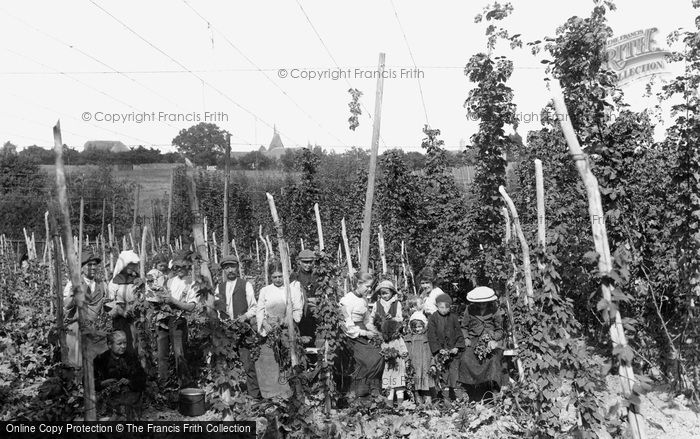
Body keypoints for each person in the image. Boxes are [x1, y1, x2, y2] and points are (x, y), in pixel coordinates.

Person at [213, 255, 260, 399]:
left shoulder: (245, 285)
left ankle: (254, 395)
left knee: (248, 363)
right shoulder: (219, 287)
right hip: (226, 331)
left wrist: (245, 317)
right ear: (223, 270)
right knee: (225, 363)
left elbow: (254, 307)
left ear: (237, 268)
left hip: (243, 329)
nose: (230, 270)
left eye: (232, 266)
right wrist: (222, 320)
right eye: (226, 268)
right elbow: (216, 309)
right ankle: (228, 394)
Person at [255, 262, 304, 399]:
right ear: (270, 277)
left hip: (287, 329)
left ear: (285, 275)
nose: (277, 279)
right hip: (270, 331)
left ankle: (290, 393)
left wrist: (284, 321)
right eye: (274, 277)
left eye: (280, 276)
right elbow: (260, 310)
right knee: (271, 360)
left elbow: (297, 310)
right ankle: (272, 394)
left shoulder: (292, 290)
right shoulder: (265, 290)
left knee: (288, 358)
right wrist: (265, 323)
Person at [339, 272, 384, 399]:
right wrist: (365, 333)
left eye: (371, 287)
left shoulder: (363, 299)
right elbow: (348, 327)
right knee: (372, 358)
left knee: (381, 353)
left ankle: (372, 389)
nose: (369, 289)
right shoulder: (347, 300)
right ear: (358, 284)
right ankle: (360, 390)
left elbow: (366, 320)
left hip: (364, 332)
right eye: (367, 286)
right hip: (352, 337)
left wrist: (375, 332)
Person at [458, 286, 508, 400]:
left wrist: (494, 339)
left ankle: (495, 390)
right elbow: (464, 327)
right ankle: (468, 389)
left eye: (484, 303)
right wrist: (466, 338)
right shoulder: (469, 309)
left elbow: (500, 330)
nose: (482, 305)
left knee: (493, 359)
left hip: (490, 340)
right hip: (474, 339)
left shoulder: (494, 309)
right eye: (479, 303)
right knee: (465, 359)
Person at [158, 258, 200, 386]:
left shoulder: (192, 284)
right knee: (162, 354)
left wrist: (173, 301)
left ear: (188, 267)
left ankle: (184, 386)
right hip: (163, 319)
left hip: (178, 320)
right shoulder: (169, 281)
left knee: (179, 353)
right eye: (177, 267)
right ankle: (163, 385)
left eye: (183, 266)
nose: (180, 269)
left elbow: (191, 307)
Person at [63, 251, 107, 367]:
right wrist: (73, 294)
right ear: (82, 267)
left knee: (97, 362)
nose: (93, 267)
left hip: (95, 328)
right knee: (77, 362)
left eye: (95, 264)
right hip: (77, 327)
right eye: (89, 265)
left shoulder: (101, 284)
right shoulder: (73, 284)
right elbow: (66, 306)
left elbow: (106, 307)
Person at [94, 330, 146, 420]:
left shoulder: (131, 358)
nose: (123, 346)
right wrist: (103, 383)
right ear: (110, 345)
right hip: (108, 395)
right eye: (119, 343)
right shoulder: (100, 359)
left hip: (128, 394)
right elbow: (89, 381)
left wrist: (129, 382)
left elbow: (141, 378)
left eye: (125, 343)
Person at [427, 293, 464, 403]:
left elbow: (458, 333)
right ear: (437, 307)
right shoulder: (433, 318)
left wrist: (457, 347)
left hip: (453, 353)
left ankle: (459, 400)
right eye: (441, 307)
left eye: (446, 307)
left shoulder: (453, 317)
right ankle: (446, 399)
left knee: (455, 375)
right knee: (443, 375)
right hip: (441, 353)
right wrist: (438, 349)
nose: (444, 310)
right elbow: (432, 335)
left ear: (450, 307)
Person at [107, 250, 142, 355]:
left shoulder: (137, 281)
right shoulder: (114, 283)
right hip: (121, 321)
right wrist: (121, 311)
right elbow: (110, 306)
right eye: (130, 265)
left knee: (138, 346)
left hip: (137, 318)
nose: (132, 267)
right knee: (124, 346)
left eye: (133, 265)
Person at [405, 310, 434, 406]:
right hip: (414, 364)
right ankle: (418, 400)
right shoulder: (408, 338)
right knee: (415, 381)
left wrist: (433, 364)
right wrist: (406, 362)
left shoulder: (427, 338)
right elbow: (405, 352)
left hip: (424, 364)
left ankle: (428, 401)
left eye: (419, 327)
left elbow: (431, 352)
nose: (417, 329)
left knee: (426, 381)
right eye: (415, 327)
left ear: (424, 326)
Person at [291, 249, 319, 347]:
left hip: (315, 313)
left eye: (310, 262)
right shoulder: (294, 276)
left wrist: (317, 300)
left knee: (313, 339)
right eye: (305, 262)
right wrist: (306, 300)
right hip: (300, 313)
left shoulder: (318, 276)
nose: (308, 265)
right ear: (299, 262)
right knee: (300, 338)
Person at [380, 319, 408, 405]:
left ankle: (400, 405)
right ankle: (389, 405)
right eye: (396, 331)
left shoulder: (399, 339)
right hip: (389, 366)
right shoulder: (384, 341)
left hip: (398, 365)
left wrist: (404, 353)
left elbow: (403, 349)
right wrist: (387, 354)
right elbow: (383, 351)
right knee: (389, 386)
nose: (398, 333)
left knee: (399, 385)